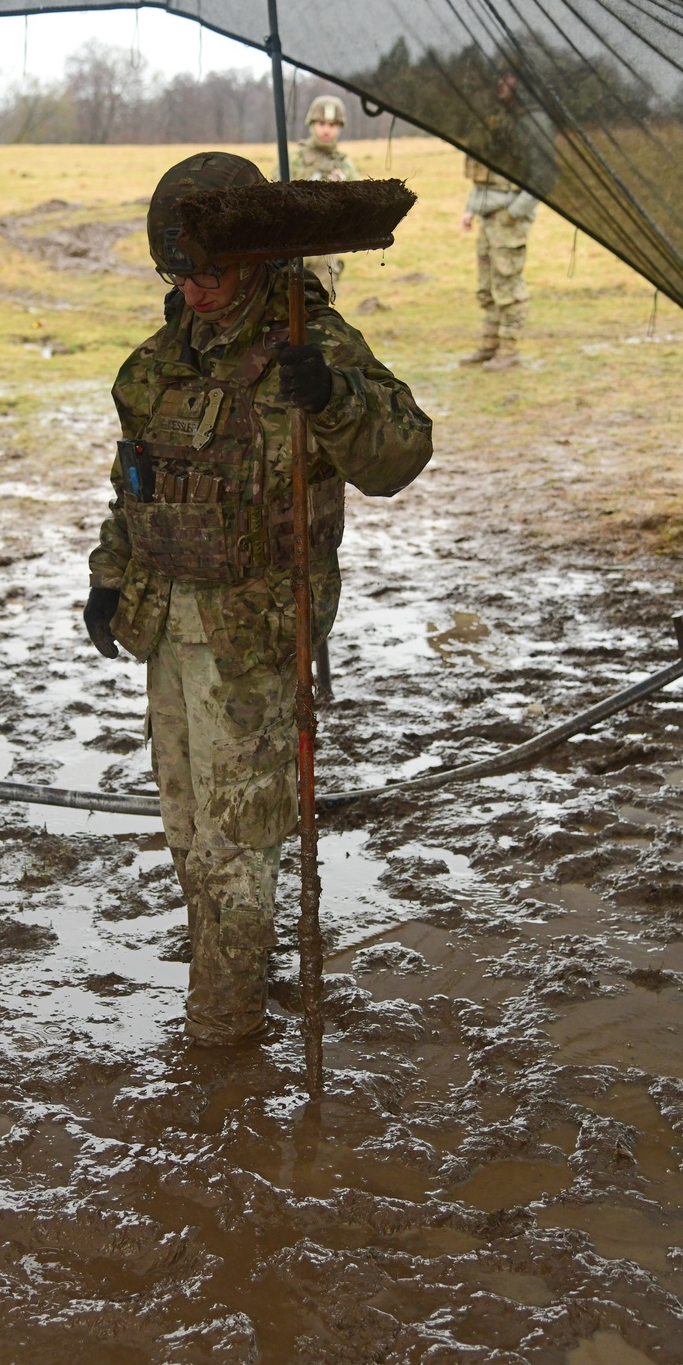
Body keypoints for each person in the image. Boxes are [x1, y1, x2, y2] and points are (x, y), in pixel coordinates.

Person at [83, 152, 432, 1048]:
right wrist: (108, 575)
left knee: (241, 841)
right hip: (168, 630)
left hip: (258, 639)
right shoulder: (162, 362)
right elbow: (137, 483)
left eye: (212, 272)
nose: (196, 292)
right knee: (190, 831)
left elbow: (400, 456)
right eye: (178, 274)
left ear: (256, 258)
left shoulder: (305, 341)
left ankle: (222, 1037)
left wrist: (336, 397)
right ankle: (230, 989)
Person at [460, 70, 555, 372]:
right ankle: (490, 345)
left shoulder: (533, 122)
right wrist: (471, 208)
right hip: (490, 214)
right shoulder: (498, 119)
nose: (501, 84)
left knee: (508, 284)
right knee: (487, 285)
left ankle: (510, 349)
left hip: (509, 216)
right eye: (498, 77)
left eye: (509, 78)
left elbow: (544, 175)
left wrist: (516, 211)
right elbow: (486, 175)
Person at [284, 95, 359, 291]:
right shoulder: (293, 160)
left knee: (320, 307)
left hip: (327, 246)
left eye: (333, 124)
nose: (327, 129)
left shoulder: (344, 165)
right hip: (292, 243)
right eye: (322, 123)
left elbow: (358, 205)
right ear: (312, 123)